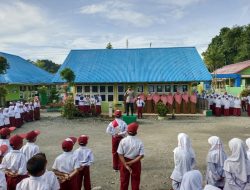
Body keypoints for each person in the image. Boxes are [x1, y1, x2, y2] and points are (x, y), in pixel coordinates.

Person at [117, 122, 144, 190]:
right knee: (135, 181)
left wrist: (126, 164)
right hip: (136, 162)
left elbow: (120, 154)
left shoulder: (123, 141)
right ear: (136, 131)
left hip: (124, 161)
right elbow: (141, 155)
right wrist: (131, 162)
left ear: (128, 131)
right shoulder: (139, 142)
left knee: (124, 181)